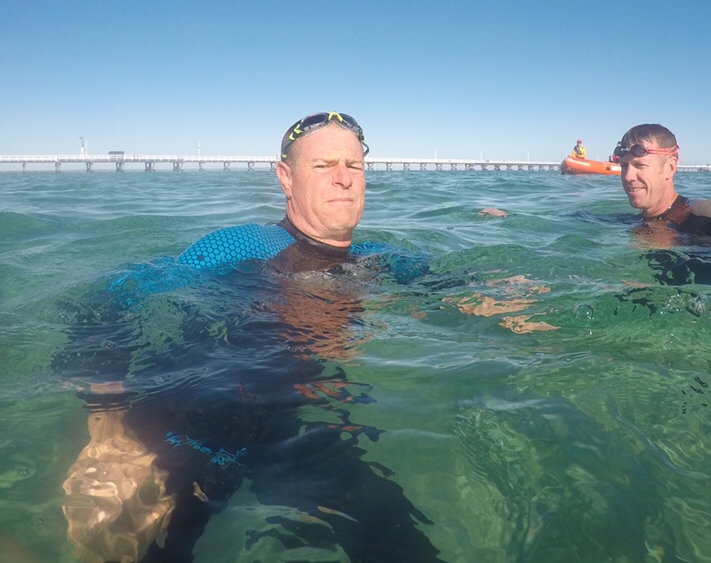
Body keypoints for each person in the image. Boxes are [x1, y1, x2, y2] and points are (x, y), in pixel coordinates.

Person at [58, 112, 442, 563]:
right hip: (190, 416)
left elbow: (465, 291)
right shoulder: (241, 246)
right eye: (323, 165)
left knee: (398, 539)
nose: (343, 179)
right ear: (286, 178)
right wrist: (106, 411)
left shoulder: (380, 260)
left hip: (287, 426)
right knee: (126, 549)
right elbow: (107, 299)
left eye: (353, 166)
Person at [612, 123, 711, 240]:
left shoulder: (707, 216)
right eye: (624, 166)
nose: (628, 176)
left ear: (670, 167)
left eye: (640, 166)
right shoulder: (631, 221)